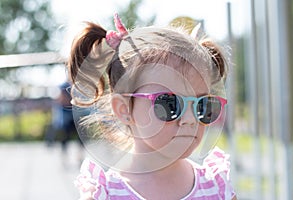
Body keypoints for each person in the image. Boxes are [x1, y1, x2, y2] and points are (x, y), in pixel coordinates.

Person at [69, 13, 237, 200]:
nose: (191, 119)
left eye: (202, 105)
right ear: (124, 109)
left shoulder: (216, 186)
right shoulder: (105, 194)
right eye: (169, 103)